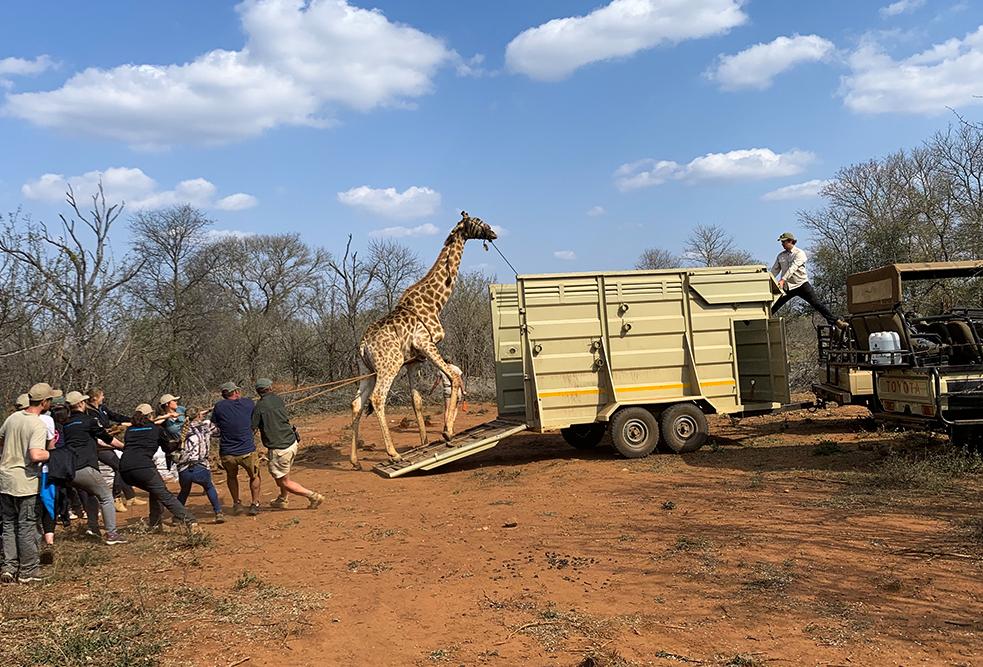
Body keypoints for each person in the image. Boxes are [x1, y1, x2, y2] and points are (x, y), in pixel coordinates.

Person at [0, 382, 52, 583]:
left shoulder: (13, 418)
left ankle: (9, 568)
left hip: (5, 478)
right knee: (27, 525)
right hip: (25, 481)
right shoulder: (37, 424)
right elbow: (36, 454)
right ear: (45, 402)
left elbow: (1, 438)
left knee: (8, 524)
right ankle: (28, 571)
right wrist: (52, 454)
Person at [120, 404, 199, 533]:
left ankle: (155, 524)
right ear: (151, 415)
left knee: (155, 490)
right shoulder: (156, 429)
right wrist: (179, 443)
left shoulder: (130, 430)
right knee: (164, 494)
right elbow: (167, 448)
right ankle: (191, 521)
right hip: (143, 468)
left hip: (124, 469)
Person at [62, 390, 126, 545]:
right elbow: (107, 438)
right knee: (106, 497)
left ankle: (93, 527)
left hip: (69, 469)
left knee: (92, 494)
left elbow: (94, 441)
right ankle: (112, 534)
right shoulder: (89, 420)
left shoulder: (66, 424)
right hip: (85, 467)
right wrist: (124, 447)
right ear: (81, 404)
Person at [251, 379, 324, 510]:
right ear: (270, 388)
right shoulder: (278, 399)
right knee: (283, 474)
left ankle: (313, 496)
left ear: (258, 391)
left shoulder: (259, 407)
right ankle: (283, 499)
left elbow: (252, 428)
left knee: (283, 481)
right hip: (292, 442)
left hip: (279, 448)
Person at [771, 232, 849, 330]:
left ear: (791, 241)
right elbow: (774, 270)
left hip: (801, 284)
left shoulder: (799, 253)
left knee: (817, 304)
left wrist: (782, 279)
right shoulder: (780, 256)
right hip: (787, 287)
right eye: (781, 242)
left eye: (784, 242)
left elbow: (793, 268)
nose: (782, 244)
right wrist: (768, 280)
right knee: (774, 305)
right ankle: (756, 321)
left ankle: (837, 322)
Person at [86, 389, 140, 514]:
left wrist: (133, 420)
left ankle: (130, 497)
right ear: (94, 398)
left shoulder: (102, 408)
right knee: (119, 466)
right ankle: (116, 498)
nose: (103, 397)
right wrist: (112, 431)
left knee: (120, 465)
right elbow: (98, 430)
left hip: (106, 442)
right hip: (98, 446)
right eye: (101, 395)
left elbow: (115, 416)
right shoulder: (89, 412)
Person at [212, 382, 260, 516]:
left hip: (228, 452)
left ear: (224, 394)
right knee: (255, 476)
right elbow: (254, 421)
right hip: (247, 449)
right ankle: (255, 503)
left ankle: (236, 503)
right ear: (236, 392)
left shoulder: (219, 407)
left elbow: (214, 426)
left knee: (231, 476)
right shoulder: (249, 403)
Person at [175, 406, 224, 523]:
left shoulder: (182, 429)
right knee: (209, 487)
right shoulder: (206, 426)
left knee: (184, 491)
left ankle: (177, 516)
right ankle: (218, 512)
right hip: (201, 466)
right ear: (198, 415)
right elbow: (219, 432)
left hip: (184, 468)